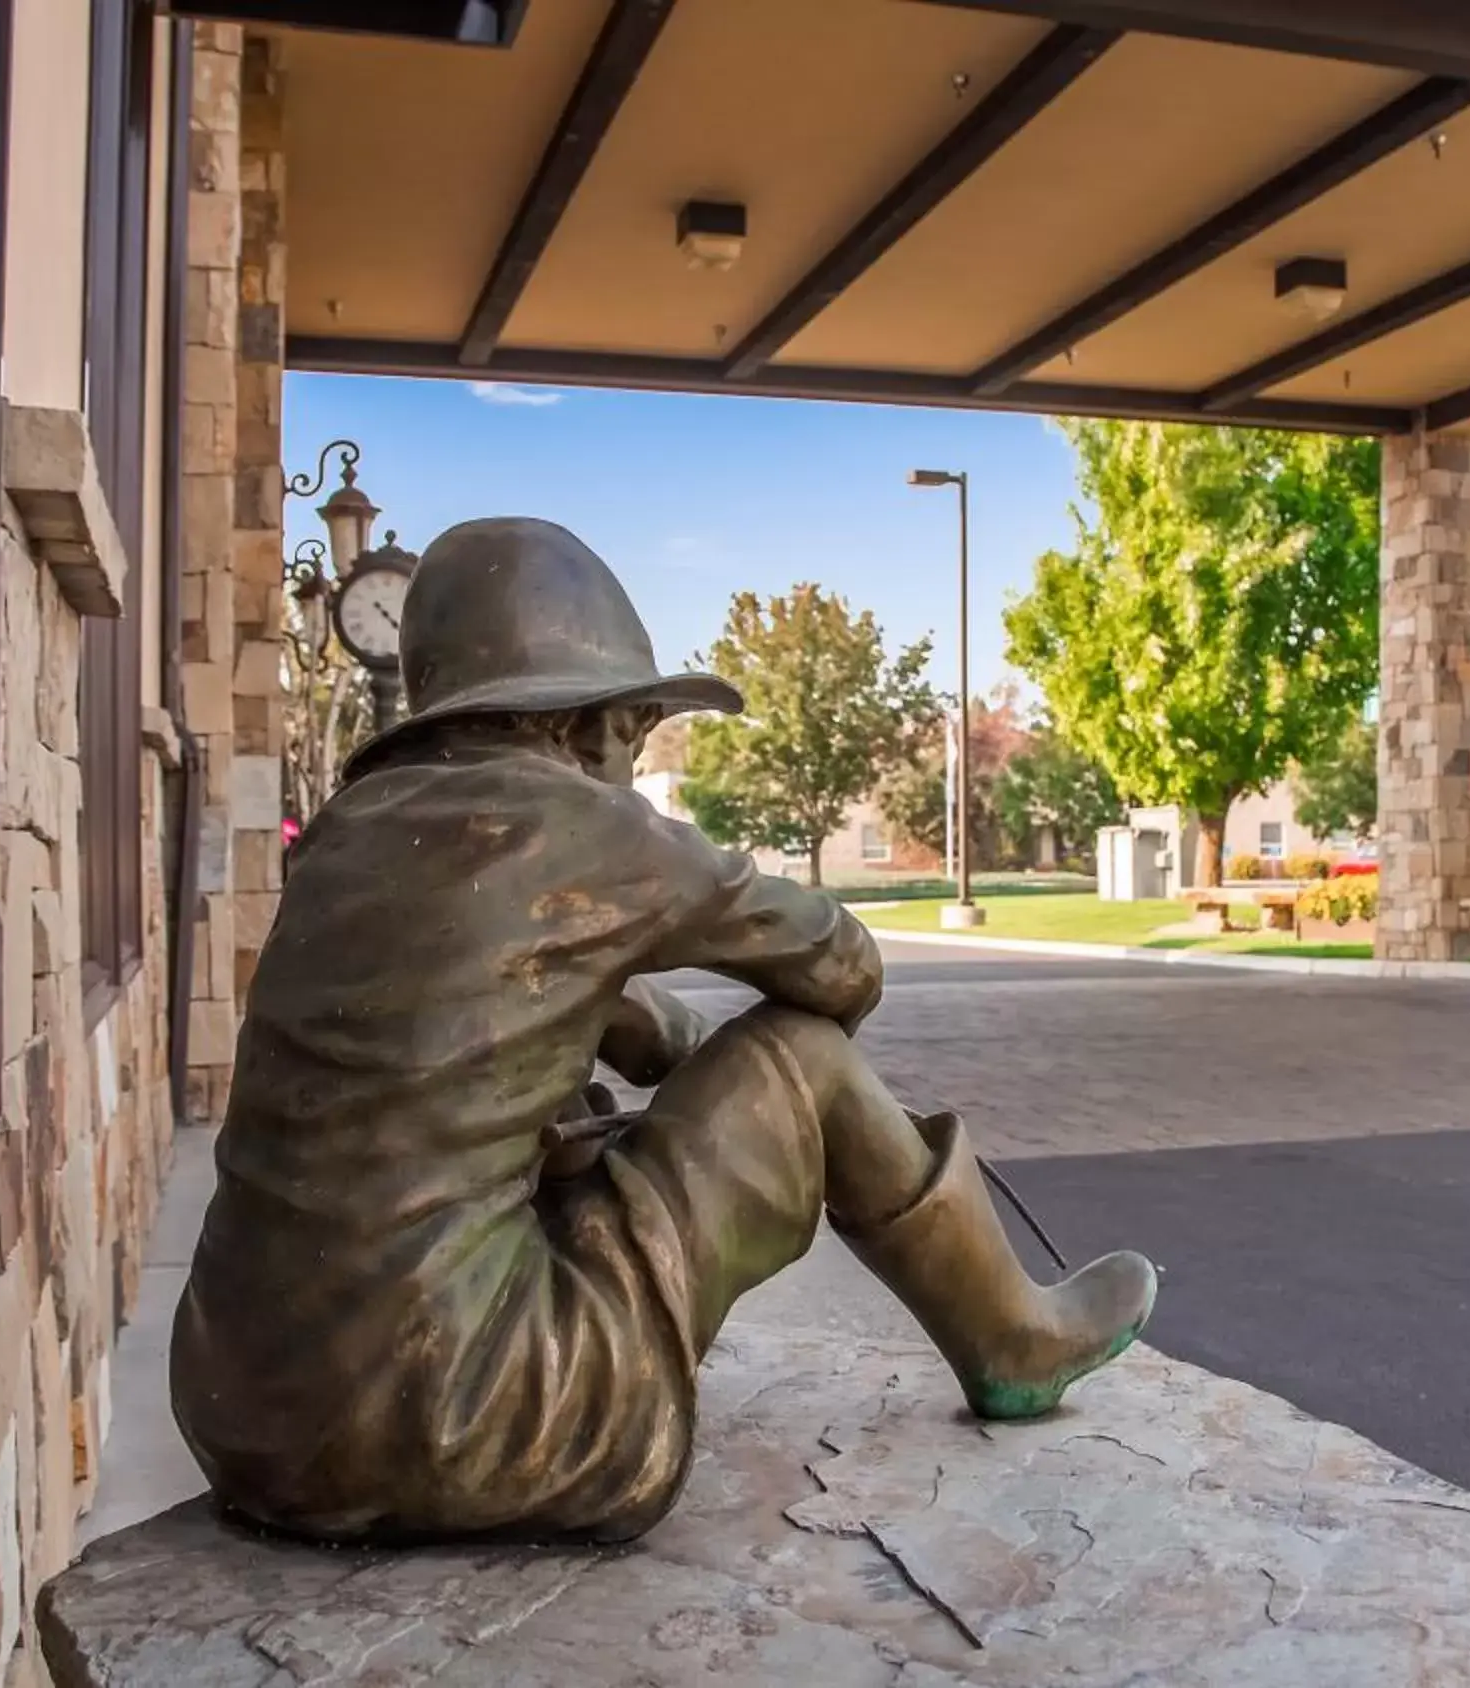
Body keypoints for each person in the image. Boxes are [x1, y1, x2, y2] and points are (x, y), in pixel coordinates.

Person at [172, 517, 1156, 1547]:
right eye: (633, 737)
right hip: (472, 1407)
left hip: (243, 1413)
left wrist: (643, 1028)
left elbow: (555, 1029)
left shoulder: (343, 837)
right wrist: (779, 1086)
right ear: (589, 724)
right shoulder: (595, 828)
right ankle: (1012, 1338)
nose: (629, 767)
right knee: (807, 1062)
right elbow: (842, 961)